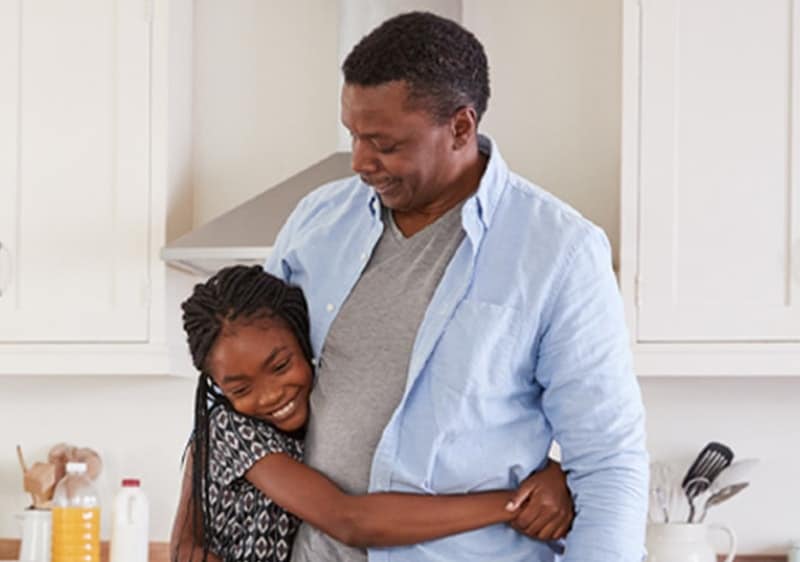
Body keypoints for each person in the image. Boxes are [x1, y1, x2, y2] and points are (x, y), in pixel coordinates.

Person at [264, 11, 649, 562]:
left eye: (384, 143)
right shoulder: (316, 222)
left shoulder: (558, 251)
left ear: (461, 128)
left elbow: (609, 461)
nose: (359, 162)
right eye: (352, 135)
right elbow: (231, 394)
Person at [169, 265, 574, 562]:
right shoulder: (230, 427)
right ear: (218, 388)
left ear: (303, 340)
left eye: (280, 366)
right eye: (240, 388)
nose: (271, 394)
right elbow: (348, 520)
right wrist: (516, 504)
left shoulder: (328, 407)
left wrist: (545, 473)